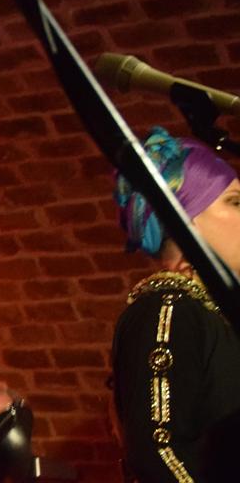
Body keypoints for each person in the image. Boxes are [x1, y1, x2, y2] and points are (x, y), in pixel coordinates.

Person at [111, 127, 240, 483]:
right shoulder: (168, 308)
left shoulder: (214, 312)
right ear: (187, 223)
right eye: (235, 202)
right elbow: (157, 452)